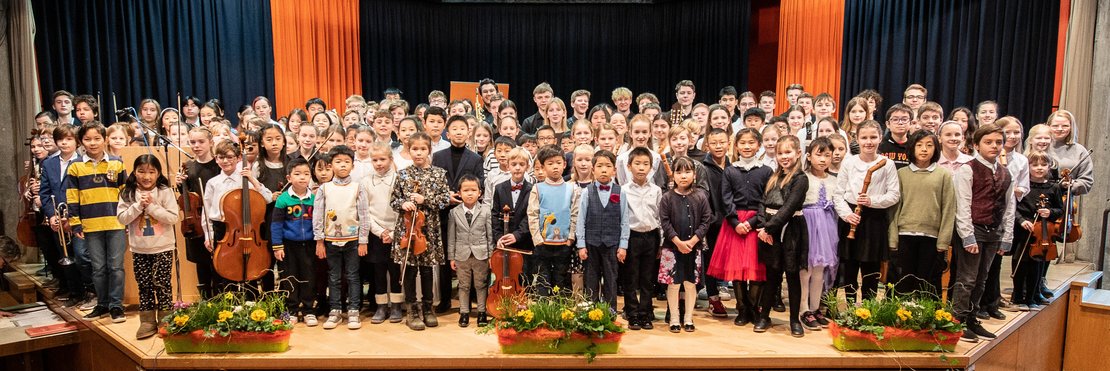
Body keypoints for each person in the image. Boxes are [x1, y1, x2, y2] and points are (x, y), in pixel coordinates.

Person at [952, 123, 1015, 343]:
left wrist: (1006, 237)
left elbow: (1009, 207)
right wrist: (967, 236)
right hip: (974, 229)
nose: (994, 146)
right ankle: (956, 321)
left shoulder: (1006, 173)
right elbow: (962, 205)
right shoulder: (968, 169)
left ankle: (972, 318)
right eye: (988, 142)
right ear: (977, 145)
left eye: (998, 142)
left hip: (993, 231)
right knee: (967, 278)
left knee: (982, 278)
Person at [708, 128, 772, 329]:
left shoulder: (766, 171)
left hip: (756, 223)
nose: (747, 146)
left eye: (751, 142)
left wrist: (752, 223)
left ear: (758, 145)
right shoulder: (730, 170)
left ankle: (754, 308)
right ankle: (742, 308)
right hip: (734, 225)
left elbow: (766, 199)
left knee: (755, 269)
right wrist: (735, 223)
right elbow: (726, 199)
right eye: (742, 143)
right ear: (736, 146)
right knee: (736, 270)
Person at [67, 122, 129, 323]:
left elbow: (126, 194)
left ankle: (116, 305)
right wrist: (75, 222)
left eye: (97, 139)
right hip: (90, 225)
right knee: (98, 267)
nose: (92, 143)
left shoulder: (117, 162)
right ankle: (101, 304)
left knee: (116, 267)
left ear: (105, 140)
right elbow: (72, 196)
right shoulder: (75, 166)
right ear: (81, 142)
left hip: (116, 223)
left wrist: (128, 219)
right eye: (87, 139)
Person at [391, 132, 451, 331]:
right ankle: (412, 309)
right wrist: (404, 203)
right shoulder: (403, 174)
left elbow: (444, 200)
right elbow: (393, 201)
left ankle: (427, 308)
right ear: (409, 150)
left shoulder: (438, 173)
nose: (418, 153)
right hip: (409, 229)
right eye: (414, 149)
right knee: (409, 270)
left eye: (423, 149)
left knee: (427, 269)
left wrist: (426, 200)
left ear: (429, 150)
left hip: (429, 229)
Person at [117, 154, 180, 338]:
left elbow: (173, 217)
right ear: (134, 172)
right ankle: (146, 321)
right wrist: (138, 206)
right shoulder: (127, 192)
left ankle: (165, 319)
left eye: (152, 172)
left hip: (163, 247)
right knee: (144, 285)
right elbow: (122, 218)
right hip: (139, 249)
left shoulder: (164, 191)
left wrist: (152, 207)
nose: (147, 176)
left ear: (158, 173)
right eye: (141, 171)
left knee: (162, 284)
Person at [836, 120, 900, 303]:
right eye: (864, 137)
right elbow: (838, 194)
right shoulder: (849, 162)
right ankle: (849, 304)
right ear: (857, 139)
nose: (868, 142)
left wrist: (873, 201)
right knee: (849, 266)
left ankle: (868, 307)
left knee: (871, 268)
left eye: (873, 137)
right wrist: (846, 215)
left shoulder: (886, 164)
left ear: (880, 138)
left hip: (874, 220)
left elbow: (894, 195)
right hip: (851, 217)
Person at [887, 130, 956, 297]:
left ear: (936, 149)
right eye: (919, 145)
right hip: (905, 234)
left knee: (928, 281)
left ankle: (927, 317)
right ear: (912, 148)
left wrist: (943, 240)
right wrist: (893, 237)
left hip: (931, 237)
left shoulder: (944, 175)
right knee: (903, 279)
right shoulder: (902, 174)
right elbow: (894, 209)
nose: (924, 149)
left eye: (929, 145)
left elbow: (949, 208)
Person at [201, 141, 274, 292]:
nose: (225, 161)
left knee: (249, 269)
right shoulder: (213, 183)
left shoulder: (245, 179)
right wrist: (208, 234)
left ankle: (251, 298)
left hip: (247, 228)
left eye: (229, 157)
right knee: (223, 269)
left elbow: (267, 198)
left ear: (238, 158)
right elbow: (206, 210)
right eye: (221, 157)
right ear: (216, 159)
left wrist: (252, 179)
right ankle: (228, 305)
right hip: (222, 231)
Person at [755, 135, 809, 337]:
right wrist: (762, 226)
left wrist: (768, 229)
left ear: (798, 153)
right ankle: (764, 316)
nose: (783, 156)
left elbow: (789, 207)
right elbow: (762, 203)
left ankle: (795, 320)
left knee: (792, 276)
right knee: (772, 276)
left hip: (790, 230)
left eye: (788, 152)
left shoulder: (800, 179)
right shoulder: (773, 177)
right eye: (780, 153)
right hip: (769, 231)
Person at [431, 115, 486, 313]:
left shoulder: (476, 158)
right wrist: (446, 196)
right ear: (448, 133)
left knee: (469, 256)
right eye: (454, 128)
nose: (459, 132)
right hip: (445, 214)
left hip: (468, 215)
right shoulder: (438, 157)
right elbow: (434, 185)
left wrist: (464, 198)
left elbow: (481, 184)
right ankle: (445, 299)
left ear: (468, 132)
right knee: (446, 257)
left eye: (462, 128)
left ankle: (472, 297)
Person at [312, 145, 370, 330]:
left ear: (353, 166)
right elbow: (318, 215)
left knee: (353, 276)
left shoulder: (357, 187)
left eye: (346, 162)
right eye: (338, 162)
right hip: (330, 240)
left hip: (353, 240)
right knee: (334, 276)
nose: (342, 165)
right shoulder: (324, 188)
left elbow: (364, 214)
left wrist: (363, 240)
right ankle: (335, 310)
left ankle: (353, 310)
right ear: (331, 165)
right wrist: (319, 240)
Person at [798, 137, 849, 331]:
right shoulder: (803, 177)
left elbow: (839, 202)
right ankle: (803, 309)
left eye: (827, 155)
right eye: (819, 155)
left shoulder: (834, 180)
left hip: (827, 226)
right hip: (808, 224)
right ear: (809, 156)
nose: (823, 160)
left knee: (820, 269)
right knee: (806, 269)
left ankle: (815, 307)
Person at [659, 156, 713, 333]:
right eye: (679, 172)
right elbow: (665, 222)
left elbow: (706, 220)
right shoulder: (667, 197)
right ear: (673, 175)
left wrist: (692, 240)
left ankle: (688, 318)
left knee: (690, 284)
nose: (683, 176)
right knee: (673, 284)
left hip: (693, 247)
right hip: (672, 247)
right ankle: (674, 318)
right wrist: (677, 241)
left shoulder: (700, 196)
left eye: (687, 172)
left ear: (694, 174)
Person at [41, 125, 91, 308]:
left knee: (81, 255)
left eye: (69, 139)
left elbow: (85, 193)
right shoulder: (48, 164)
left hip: (77, 219)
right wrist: (51, 215)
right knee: (65, 257)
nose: (64, 142)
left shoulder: (82, 162)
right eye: (61, 139)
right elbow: (45, 193)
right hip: (57, 218)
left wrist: (72, 217)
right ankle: (75, 293)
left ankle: (90, 291)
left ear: (77, 142)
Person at [1007, 151, 1062, 312]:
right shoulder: (1023, 186)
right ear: (1028, 166)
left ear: (1049, 167)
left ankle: (1031, 297)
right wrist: (1021, 220)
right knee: (1020, 264)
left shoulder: (1053, 187)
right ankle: (1017, 297)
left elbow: (1060, 209)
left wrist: (1050, 212)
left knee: (1036, 266)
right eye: (1035, 165)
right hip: (1024, 230)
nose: (1039, 168)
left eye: (1043, 165)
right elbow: (1013, 207)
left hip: (1042, 234)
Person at [527, 146, 580, 296]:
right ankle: (544, 312)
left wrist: (571, 237)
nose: (555, 166)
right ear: (542, 167)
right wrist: (537, 238)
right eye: (550, 163)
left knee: (560, 279)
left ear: (564, 164)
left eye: (558, 162)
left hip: (564, 243)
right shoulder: (537, 188)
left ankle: (560, 311)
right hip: (543, 242)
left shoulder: (572, 188)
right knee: (543, 279)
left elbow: (575, 214)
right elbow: (532, 214)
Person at [271, 158, 318, 326]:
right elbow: (276, 225)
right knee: (289, 277)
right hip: (288, 246)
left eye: (306, 174)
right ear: (289, 178)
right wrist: (277, 246)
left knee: (308, 277)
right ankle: (291, 310)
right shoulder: (283, 199)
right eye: (297, 174)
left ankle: (308, 310)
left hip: (309, 245)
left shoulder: (314, 198)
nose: (302, 177)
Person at [447, 175, 492, 328]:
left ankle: (481, 312)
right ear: (459, 192)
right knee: (463, 285)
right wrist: (451, 257)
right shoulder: (454, 213)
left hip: (481, 254)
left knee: (481, 284)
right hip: (461, 254)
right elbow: (451, 236)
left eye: (473, 190)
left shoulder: (485, 211)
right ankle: (464, 312)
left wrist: (491, 254)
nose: (470, 193)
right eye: (466, 190)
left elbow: (489, 235)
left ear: (480, 192)